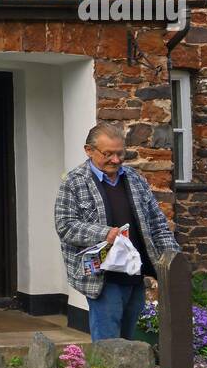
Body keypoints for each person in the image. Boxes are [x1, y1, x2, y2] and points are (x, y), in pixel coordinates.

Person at [54, 123, 180, 340]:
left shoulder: (135, 178)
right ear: (89, 150)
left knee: (130, 341)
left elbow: (157, 222)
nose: (115, 160)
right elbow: (66, 225)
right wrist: (104, 233)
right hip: (103, 278)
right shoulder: (74, 182)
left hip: (135, 275)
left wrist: (173, 257)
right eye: (108, 154)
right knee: (108, 345)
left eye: (120, 153)